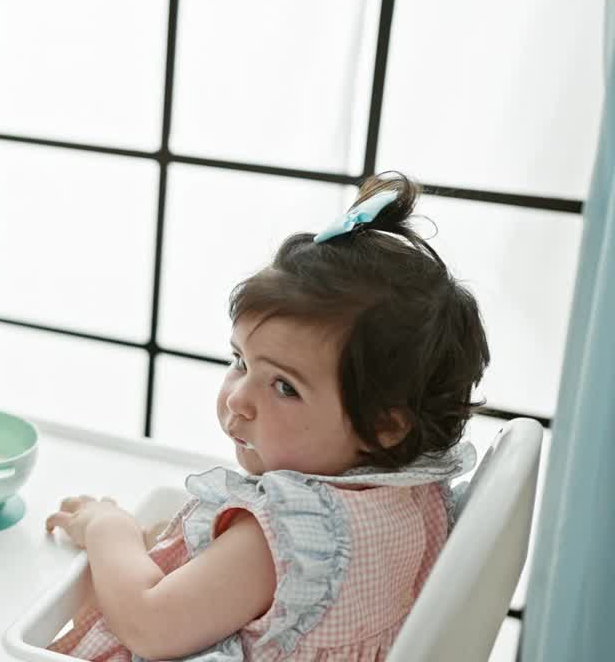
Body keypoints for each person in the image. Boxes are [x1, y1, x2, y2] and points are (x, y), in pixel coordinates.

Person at [45, 173, 490, 661]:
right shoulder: (412, 499)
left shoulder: (287, 535)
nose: (238, 399)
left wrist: (109, 528)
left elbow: (150, 624)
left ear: (387, 425)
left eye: (284, 386)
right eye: (240, 361)